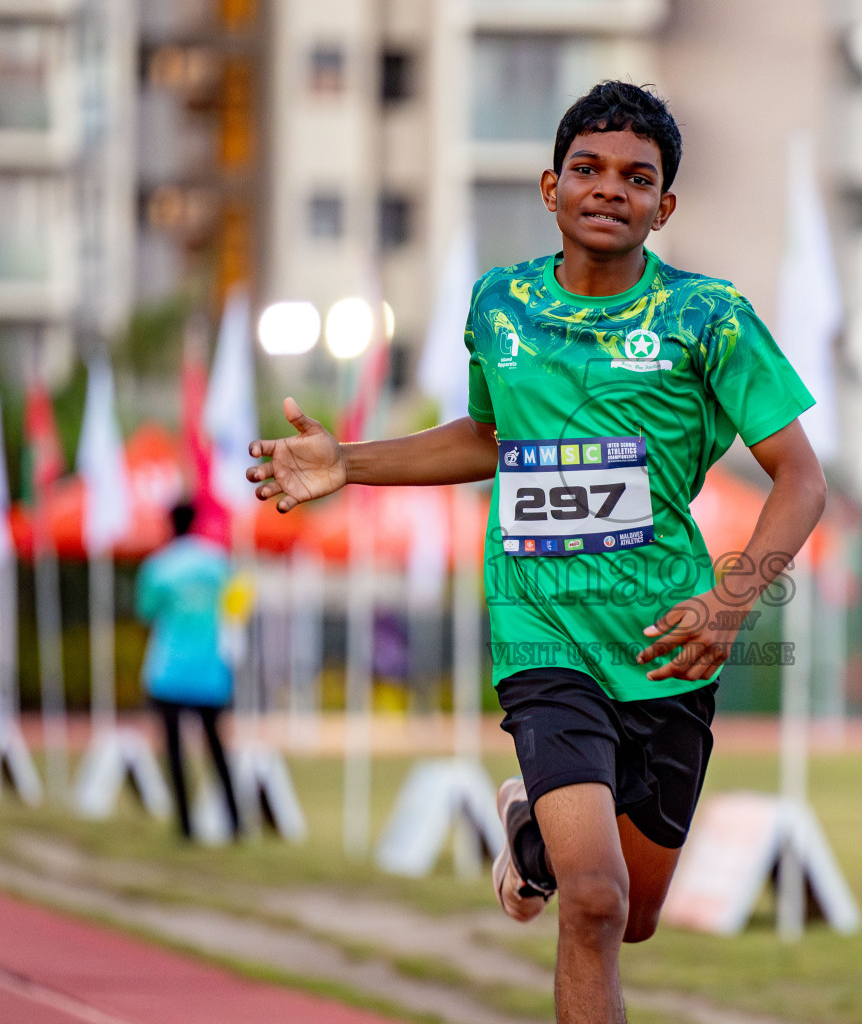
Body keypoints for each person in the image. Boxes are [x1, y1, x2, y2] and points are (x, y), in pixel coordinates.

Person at [247, 81, 825, 1024]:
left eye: (636, 178)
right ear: (550, 185)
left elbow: (800, 479)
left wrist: (730, 604)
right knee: (593, 903)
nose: (609, 190)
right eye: (588, 170)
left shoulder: (708, 316)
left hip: (664, 638)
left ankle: (533, 831)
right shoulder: (499, 305)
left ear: (664, 207)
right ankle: (557, 844)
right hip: (540, 632)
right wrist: (348, 461)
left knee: (631, 912)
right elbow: (490, 436)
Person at [135, 502, 242, 841]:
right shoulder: (217, 563)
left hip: (168, 670)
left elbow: (145, 611)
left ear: (169, 523)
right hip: (210, 669)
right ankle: (235, 821)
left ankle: (185, 825)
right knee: (218, 749)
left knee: (174, 751)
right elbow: (236, 603)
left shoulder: (158, 567)